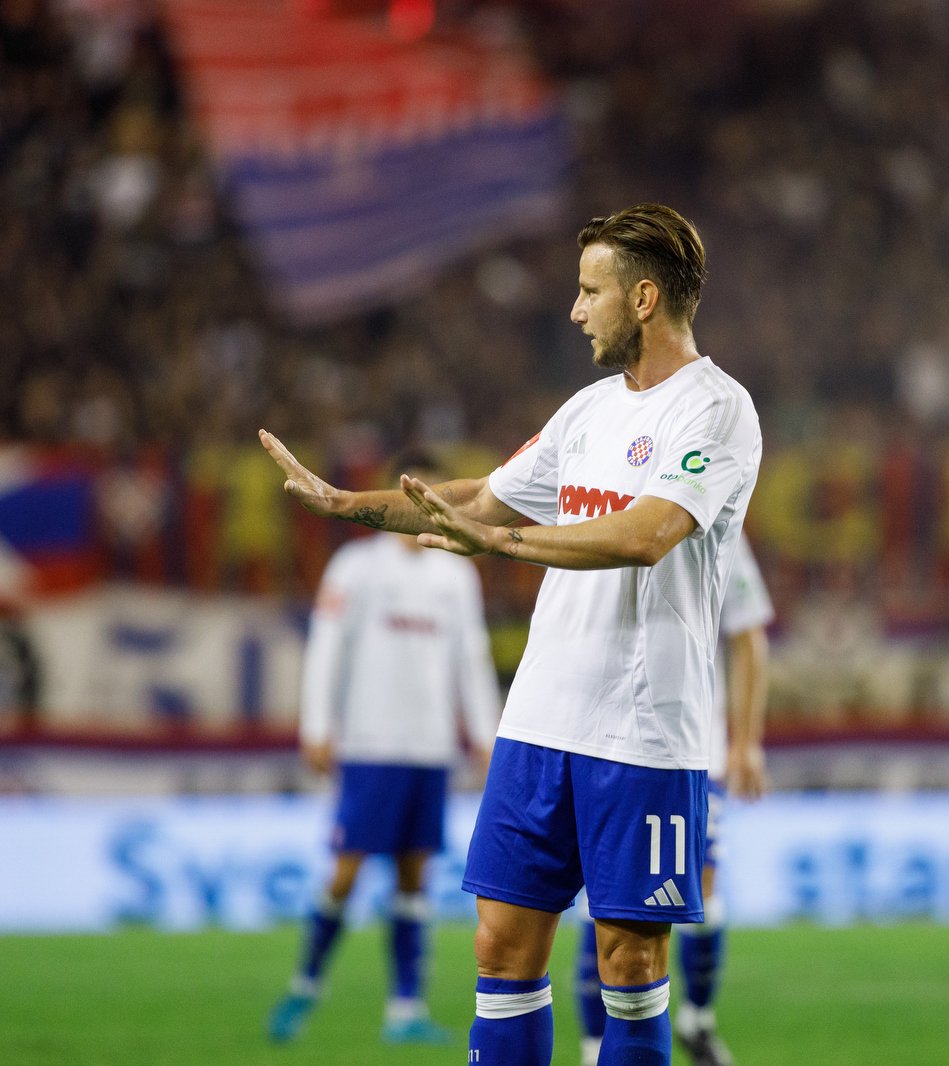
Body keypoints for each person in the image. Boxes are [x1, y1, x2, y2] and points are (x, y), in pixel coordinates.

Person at [261, 202, 761, 1066]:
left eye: (588, 291)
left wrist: (499, 545)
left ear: (643, 299)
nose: (575, 310)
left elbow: (646, 534)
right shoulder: (587, 412)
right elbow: (481, 500)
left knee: (629, 962)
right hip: (537, 724)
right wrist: (349, 507)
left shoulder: (717, 411)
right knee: (500, 948)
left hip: (642, 733)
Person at [268, 451, 501, 1046]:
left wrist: (486, 737)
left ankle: (405, 1011)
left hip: (428, 748)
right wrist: (317, 726)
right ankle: (304, 988)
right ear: (400, 494)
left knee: (413, 878)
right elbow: (326, 648)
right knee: (345, 875)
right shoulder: (356, 566)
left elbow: (470, 661)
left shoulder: (456, 571)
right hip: (369, 742)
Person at [577, 538, 773, 1066]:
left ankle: (697, 1018)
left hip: (689, 751)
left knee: (699, 892)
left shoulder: (715, 515)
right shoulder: (601, 508)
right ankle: (594, 1047)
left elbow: (748, 633)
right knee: (600, 902)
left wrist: (745, 741)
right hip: (602, 742)